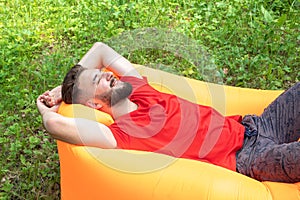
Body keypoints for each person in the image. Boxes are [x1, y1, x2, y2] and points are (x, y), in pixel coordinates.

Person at [37, 42, 300, 183]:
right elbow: (54, 125)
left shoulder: (140, 90)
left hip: (258, 126)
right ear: (94, 105)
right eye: (98, 81)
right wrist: (45, 106)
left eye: (101, 73)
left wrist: (64, 89)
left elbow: (101, 49)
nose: (107, 73)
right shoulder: (122, 135)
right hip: (251, 158)